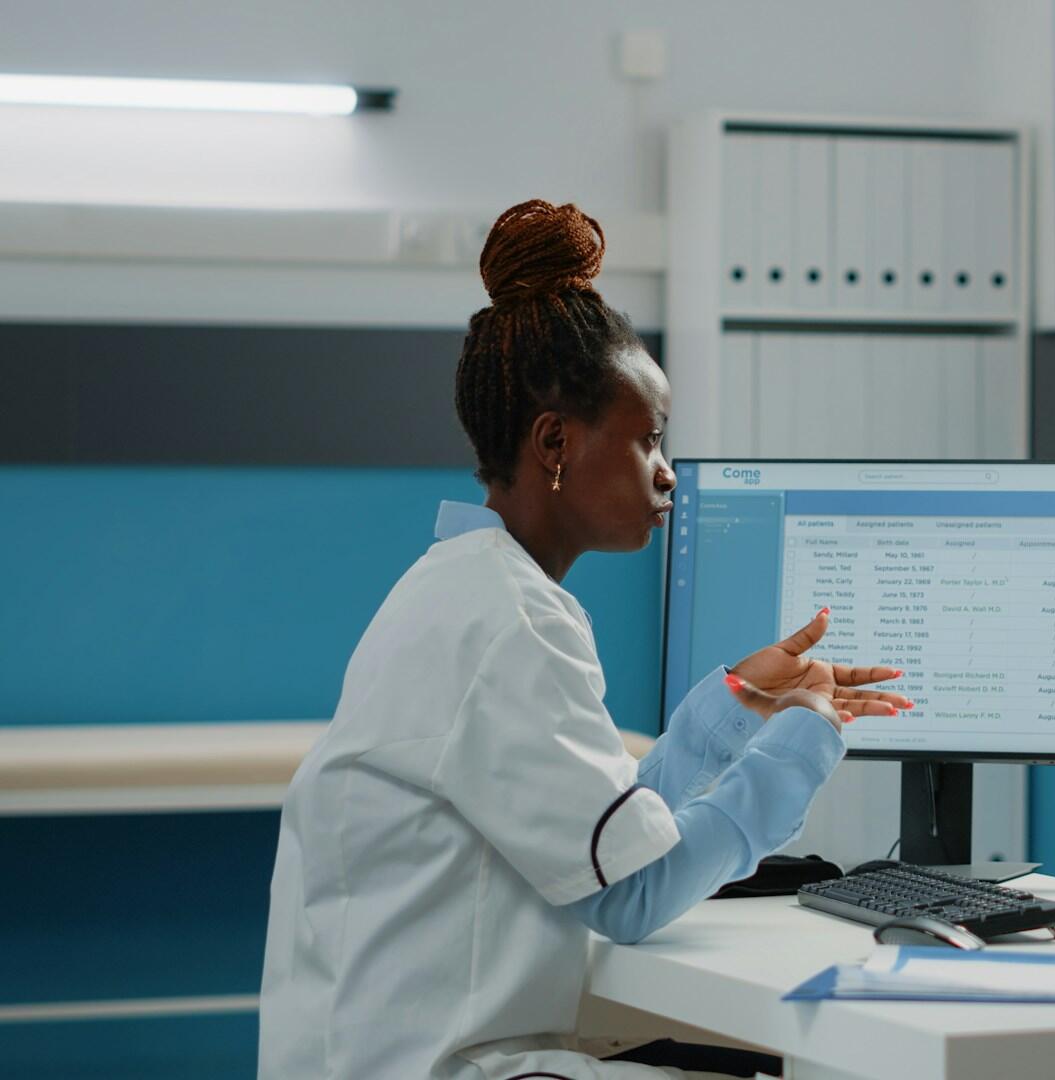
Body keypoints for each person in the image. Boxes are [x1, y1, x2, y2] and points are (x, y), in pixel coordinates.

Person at [258, 200, 911, 1079]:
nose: (667, 470)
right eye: (647, 439)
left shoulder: (462, 587)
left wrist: (732, 713)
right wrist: (804, 743)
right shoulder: (510, 622)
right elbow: (633, 896)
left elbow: (594, 831)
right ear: (555, 443)